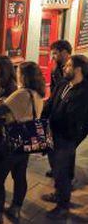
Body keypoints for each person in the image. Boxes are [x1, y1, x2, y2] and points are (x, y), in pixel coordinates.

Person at [0, 62, 45, 224]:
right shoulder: (38, 95)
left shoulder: (21, 94)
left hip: (10, 142)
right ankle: (15, 209)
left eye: (19, 72)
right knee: (20, 176)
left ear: (23, 76)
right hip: (25, 143)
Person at [41, 55, 88, 220]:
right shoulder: (62, 84)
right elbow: (50, 103)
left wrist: (74, 139)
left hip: (66, 139)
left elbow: (81, 122)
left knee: (64, 173)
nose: (64, 68)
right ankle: (58, 193)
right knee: (55, 169)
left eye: (68, 66)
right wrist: (42, 121)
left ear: (78, 69)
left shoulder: (84, 92)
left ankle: (63, 207)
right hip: (51, 134)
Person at [45, 40, 72, 178]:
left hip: (68, 114)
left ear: (65, 52)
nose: (53, 57)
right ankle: (56, 169)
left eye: (55, 53)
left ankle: (65, 178)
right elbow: (54, 89)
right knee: (53, 144)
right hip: (56, 110)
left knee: (66, 149)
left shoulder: (76, 68)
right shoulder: (56, 68)